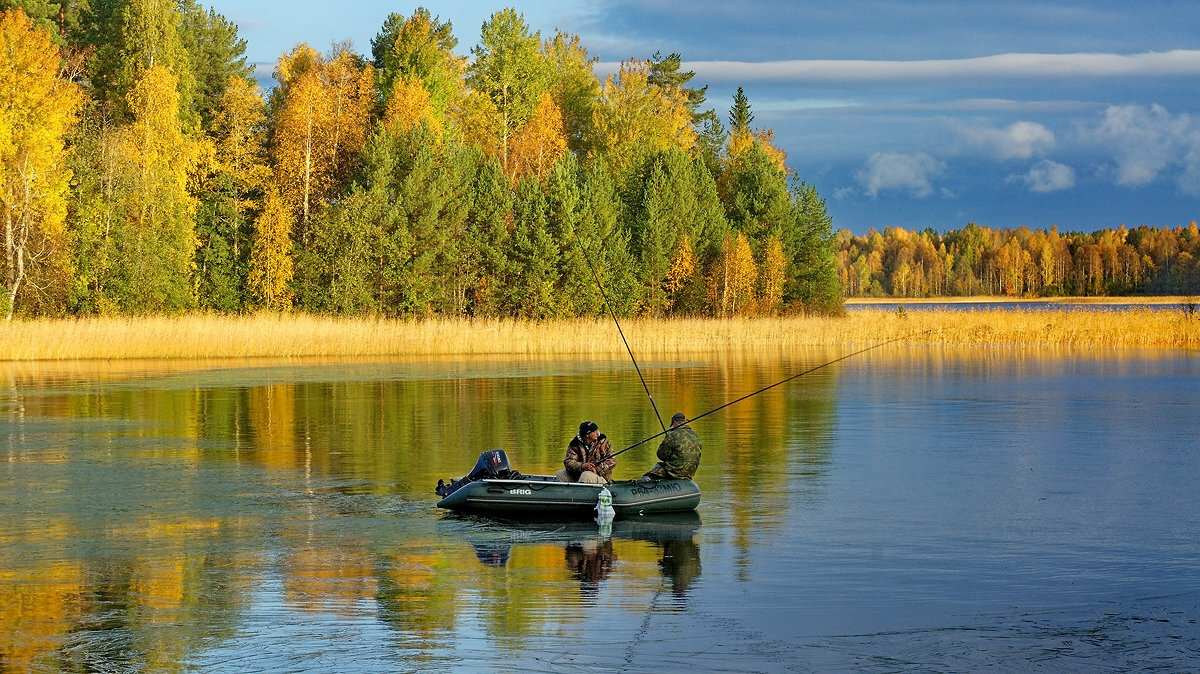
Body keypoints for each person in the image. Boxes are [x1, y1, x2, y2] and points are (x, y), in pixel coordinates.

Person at [643, 412, 702, 480]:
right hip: (690, 472)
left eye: (673, 425)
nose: (673, 426)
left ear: (675, 422)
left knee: (648, 476)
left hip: (675, 472)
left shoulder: (672, 435)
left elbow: (661, 455)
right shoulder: (695, 436)